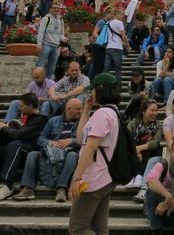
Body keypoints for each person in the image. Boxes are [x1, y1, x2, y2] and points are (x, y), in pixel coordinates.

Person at [67, 72, 122, 235]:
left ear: (101, 90)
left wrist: (76, 178)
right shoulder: (112, 111)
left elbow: (90, 148)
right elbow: (79, 138)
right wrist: (86, 110)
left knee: (78, 229)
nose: (90, 93)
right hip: (105, 178)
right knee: (99, 229)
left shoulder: (102, 114)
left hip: (94, 179)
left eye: (93, 90)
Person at [13, 98, 82, 203]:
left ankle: (61, 188)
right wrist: (49, 142)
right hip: (52, 152)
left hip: (69, 152)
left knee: (72, 155)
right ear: (69, 109)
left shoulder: (82, 123)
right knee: (32, 154)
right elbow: (41, 139)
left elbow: (87, 140)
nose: (80, 111)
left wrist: (72, 140)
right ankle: (27, 188)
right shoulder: (53, 121)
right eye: (78, 109)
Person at [0, 93, 49, 201]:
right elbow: (23, 132)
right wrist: (16, 125)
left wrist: (4, 128)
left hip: (33, 152)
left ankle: (8, 185)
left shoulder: (40, 119)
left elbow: (19, 135)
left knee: (14, 145)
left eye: (21, 106)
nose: (19, 108)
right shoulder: (31, 118)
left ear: (29, 106)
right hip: (23, 147)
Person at [126, 100, 163, 189]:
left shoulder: (157, 125)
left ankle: (139, 175)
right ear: (143, 111)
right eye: (152, 110)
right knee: (133, 141)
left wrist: (139, 148)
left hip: (150, 153)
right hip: (134, 152)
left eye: (156, 111)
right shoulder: (133, 123)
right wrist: (137, 150)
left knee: (150, 143)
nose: (154, 113)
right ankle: (133, 175)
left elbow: (156, 142)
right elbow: (126, 138)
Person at [37, 3, 67, 80]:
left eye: (58, 8)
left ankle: (48, 84)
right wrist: (39, 44)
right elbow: (41, 32)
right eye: (54, 8)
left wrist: (63, 38)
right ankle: (38, 82)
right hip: (46, 44)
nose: (56, 10)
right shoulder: (46, 19)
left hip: (56, 46)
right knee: (41, 65)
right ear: (50, 9)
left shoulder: (61, 20)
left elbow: (61, 33)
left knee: (52, 67)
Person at [104, 7, 129, 87]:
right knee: (118, 69)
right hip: (117, 48)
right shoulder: (119, 23)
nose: (123, 16)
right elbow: (123, 36)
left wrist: (123, 43)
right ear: (117, 14)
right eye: (122, 14)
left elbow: (114, 36)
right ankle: (118, 87)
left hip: (109, 47)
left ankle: (105, 85)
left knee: (106, 68)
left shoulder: (108, 23)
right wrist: (127, 44)